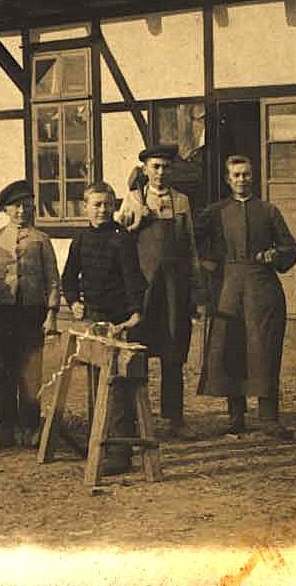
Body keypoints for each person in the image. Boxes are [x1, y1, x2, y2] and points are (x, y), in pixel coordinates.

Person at [197, 155, 296, 438]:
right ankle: (236, 416)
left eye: (246, 174)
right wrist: (206, 263)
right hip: (228, 289)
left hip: (262, 289)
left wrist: (274, 254)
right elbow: (189, 238)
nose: (241, 179)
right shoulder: (216, 211)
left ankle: (269, 418)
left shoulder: (268, 211)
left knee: (264, 350)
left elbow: (292, 248)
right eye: (236, 175)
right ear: (227, 179)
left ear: (252, 177)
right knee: (232, 348)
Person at [117, 144, 207, 440]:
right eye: (155, 166)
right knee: (138, 352)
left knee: (173, 353)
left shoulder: (181, 201)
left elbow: (190, 246)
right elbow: (122, 241)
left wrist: (196, 290)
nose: (160, 172)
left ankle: (175, 418)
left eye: (165, 167)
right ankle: (137, 420)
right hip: (144, 290)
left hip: (173, 290)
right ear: (145, 169)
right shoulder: (132, 199)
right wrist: (136, 219)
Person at [0, 180, 61, 449]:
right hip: (2, 313)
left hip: (32, 313)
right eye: (17, 206)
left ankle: (30, 426)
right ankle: (6, 427)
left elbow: (52, 279)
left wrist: (51, 313)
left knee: (31, 371)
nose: (22, 211)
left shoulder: (41, 240)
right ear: (6, 210)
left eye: (27, 206)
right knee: (4, 371)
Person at [61, 182, 147, 475]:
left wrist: (134, 315)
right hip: (93, 320)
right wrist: (73, 302)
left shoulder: (122, 240)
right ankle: (99, 442)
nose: (102, 210)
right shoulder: (80, 240)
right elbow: (69, 277)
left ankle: (121, 453)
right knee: (96, 384)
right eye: (96, 204)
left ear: (114, 207)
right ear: (85, 207)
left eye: (107, 205)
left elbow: (134, 280)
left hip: (118, 321)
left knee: (119, 385)